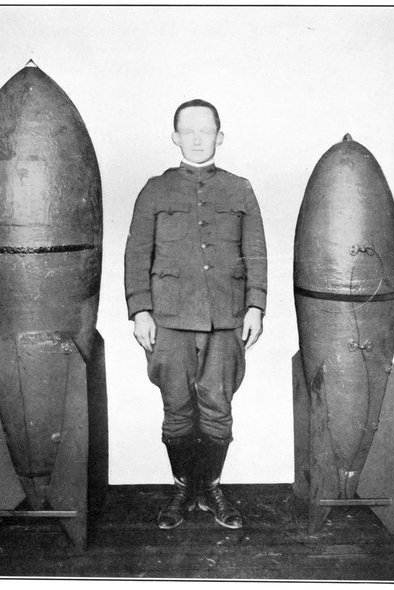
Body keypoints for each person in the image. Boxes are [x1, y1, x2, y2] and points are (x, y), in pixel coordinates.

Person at [124, 99, 267, 530]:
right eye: (189, 131)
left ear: (220, 137)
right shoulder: (155, 189)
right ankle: (183, 489)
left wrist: (256, 306)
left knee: (218, 408)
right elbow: (136, 253)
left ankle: (212, 488)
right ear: (175, 137)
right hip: (168, 318)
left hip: (226, 316)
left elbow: (255, 252)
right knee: (177, 410)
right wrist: (140, 310)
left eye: (206, 131)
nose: (198, 139)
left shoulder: (240, 189)